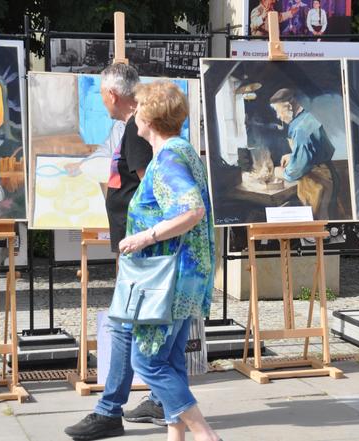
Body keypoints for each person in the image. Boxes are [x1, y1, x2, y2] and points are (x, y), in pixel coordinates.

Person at [64, 64, 165, 441]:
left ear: (112, 95)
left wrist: (142, 239)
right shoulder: (135, 124)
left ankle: (110, 410)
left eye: (101, 95)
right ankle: (158, 398)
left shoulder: (137, 129)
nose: (101, 100)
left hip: (139, 245)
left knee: (124, 323)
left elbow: (150, 189)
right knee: (145, 323)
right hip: (138, 242)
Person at [117, 80, 220, 441]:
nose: (133, 115)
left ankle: (206, 435)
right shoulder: (184, 150)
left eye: (138, 109)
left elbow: (191, 209)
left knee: (147, 360)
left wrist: (145, 236)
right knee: (172, 362)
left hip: (168, 278)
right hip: (187, 274)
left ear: (149, 115)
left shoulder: (167, 160)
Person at [270, 88, 340, 219]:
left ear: (288, 106)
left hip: (318, 182)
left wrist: (277, 172)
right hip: (328, 175)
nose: (278, 116)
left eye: (277, 111)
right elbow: (318, 150)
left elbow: (296, 170)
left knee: (318, 224)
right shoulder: (308, 118)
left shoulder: (300, 128)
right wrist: (292, 156)